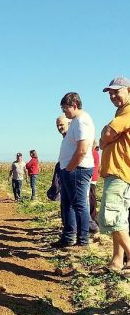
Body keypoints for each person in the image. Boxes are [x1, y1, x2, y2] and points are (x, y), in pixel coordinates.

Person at [53, 92, 95, 248]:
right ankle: (68, 237)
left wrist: (69, 168)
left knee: (79, 205)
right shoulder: (76, 120)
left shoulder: (81, 121)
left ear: (74, 105)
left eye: (65, 109)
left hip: (78, 169)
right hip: (72, 169)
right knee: (70, 205)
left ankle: (83, 240)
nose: (64, 112)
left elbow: (82, 149)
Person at [98, 76, 130, 274]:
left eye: (116, 91)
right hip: (118, 171)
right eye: (110, 92)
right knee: (120, 218)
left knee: (110, 218)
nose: (112, 95)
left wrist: (105, 136)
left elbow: (107, 134)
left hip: (120, 171)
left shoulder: (127, 112)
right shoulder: (121, 112)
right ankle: (117, 261)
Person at [47, 116, 70, 202]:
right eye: (57, 125)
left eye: (61, 125)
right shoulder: (65, 138)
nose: (59, 127)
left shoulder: (73, 137)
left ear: (69, 124)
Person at [89, 141, 100, 233]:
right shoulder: (95, 153)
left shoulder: (93, 153)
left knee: (91, 199)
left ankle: (93, 219)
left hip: (91, 178)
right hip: (93, 178)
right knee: (91, 198)